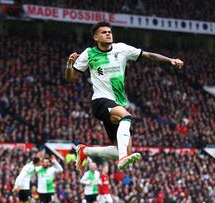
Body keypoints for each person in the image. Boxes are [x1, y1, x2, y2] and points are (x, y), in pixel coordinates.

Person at [66, 21, 184, 172]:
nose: (108, 34)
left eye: (109, 31)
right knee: (126, 117)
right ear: (96, 37)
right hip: (100, 101)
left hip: (117, 103)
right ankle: (122, 158)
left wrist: (170, 60)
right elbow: (71, 78)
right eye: (104, 32)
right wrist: (69, 64)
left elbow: (147, 55)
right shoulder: (89, 53)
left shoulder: (121, 49)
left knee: (125, 149)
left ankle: (85, 151)